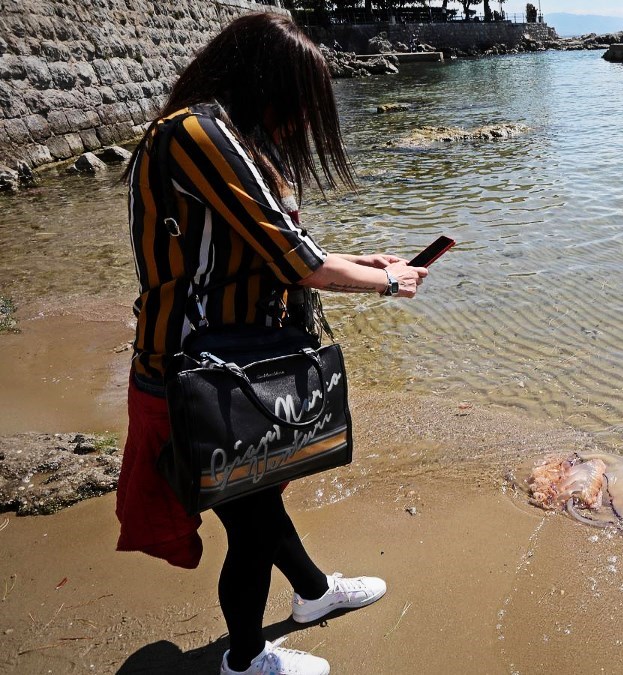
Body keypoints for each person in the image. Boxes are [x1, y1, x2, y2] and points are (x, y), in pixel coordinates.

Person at [115, 13, 428, 675]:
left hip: (226, 368)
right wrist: (388, 282)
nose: (302, 120)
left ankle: (313, 593)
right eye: (300, 101)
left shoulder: (217, 134)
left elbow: (270, 255)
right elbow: (298, 262)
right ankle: (246, 658)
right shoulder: (199, 134)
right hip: (196, 376)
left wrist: (365, 262)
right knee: (251, 523)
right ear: (266, 84)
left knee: (257, 500)